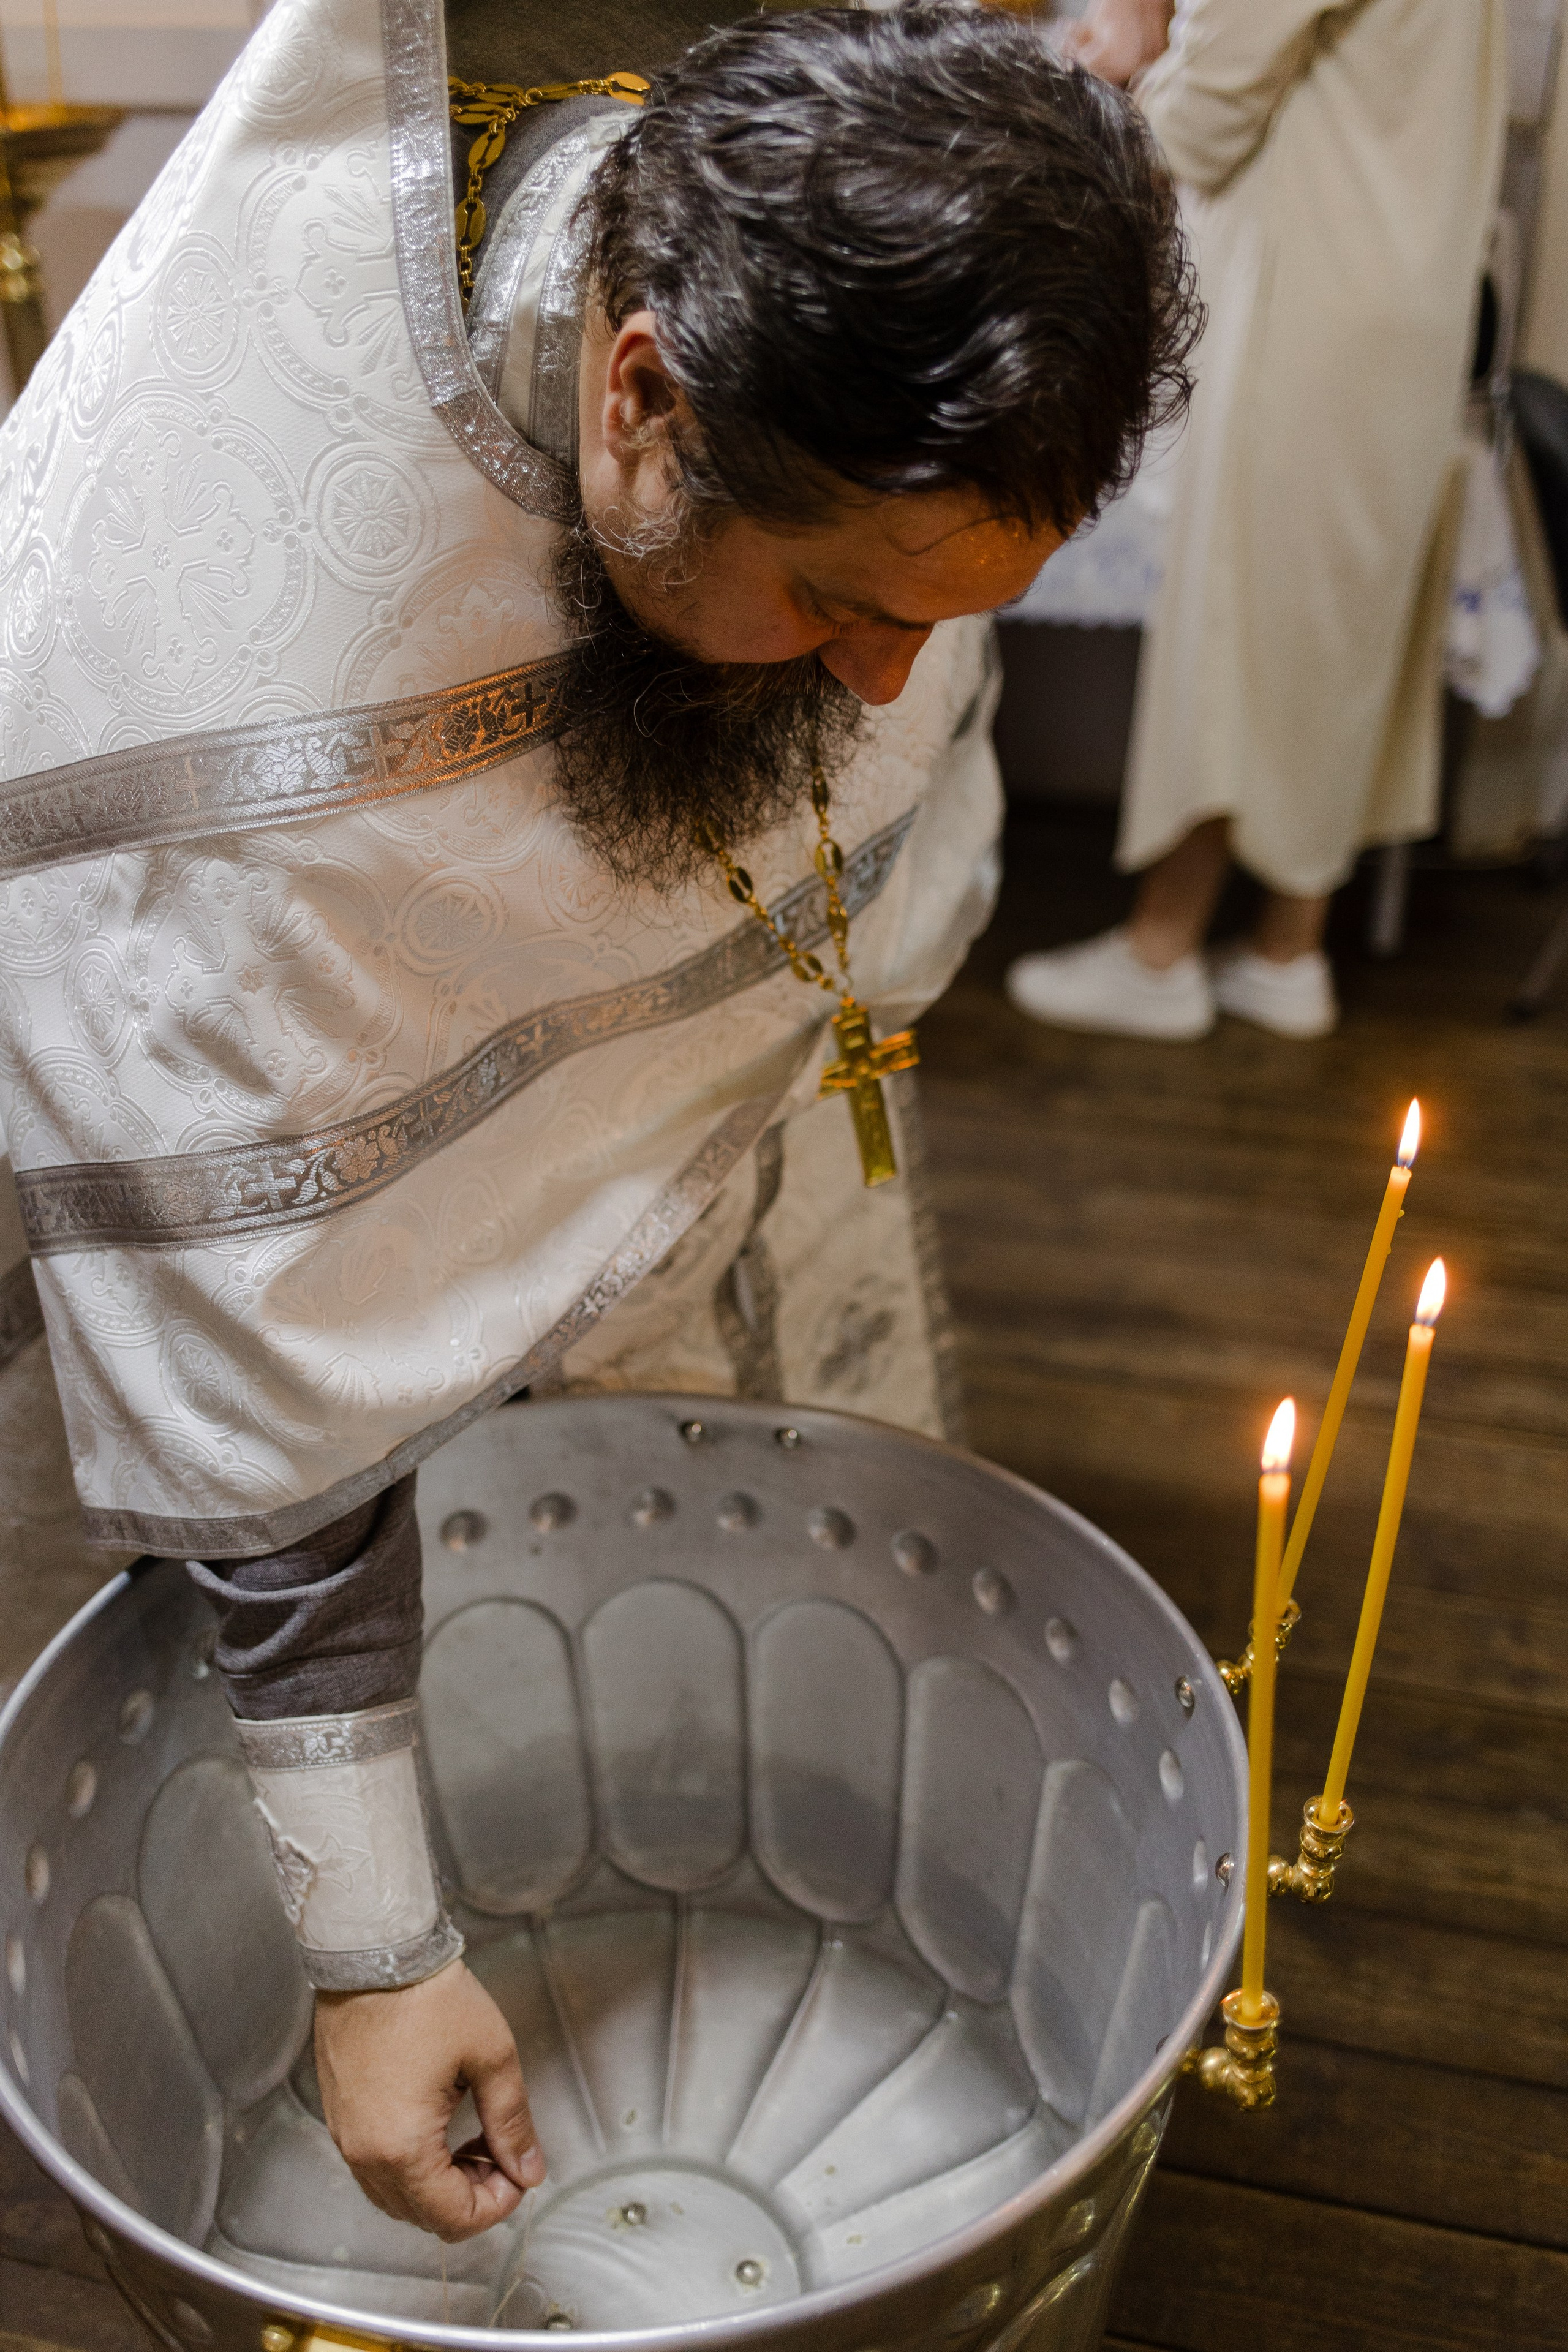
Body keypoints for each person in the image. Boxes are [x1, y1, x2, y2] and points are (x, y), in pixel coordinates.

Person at [0, 0, 1197, 2240]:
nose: (888, 684)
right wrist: (377, 1958)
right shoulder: (231, 709)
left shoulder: (821, 336)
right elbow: (272, 1311)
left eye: (952, 617)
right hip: (219, 1214)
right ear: (639, 394)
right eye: (841, 604)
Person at [1008, 0, 1507, 1041]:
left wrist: (1097, 94)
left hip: (1315, 278)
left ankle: (1161, 951)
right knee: (1338, 625)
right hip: (1408, 279)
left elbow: (1209, 110)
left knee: (1249, 620)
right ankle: (1289, 946)